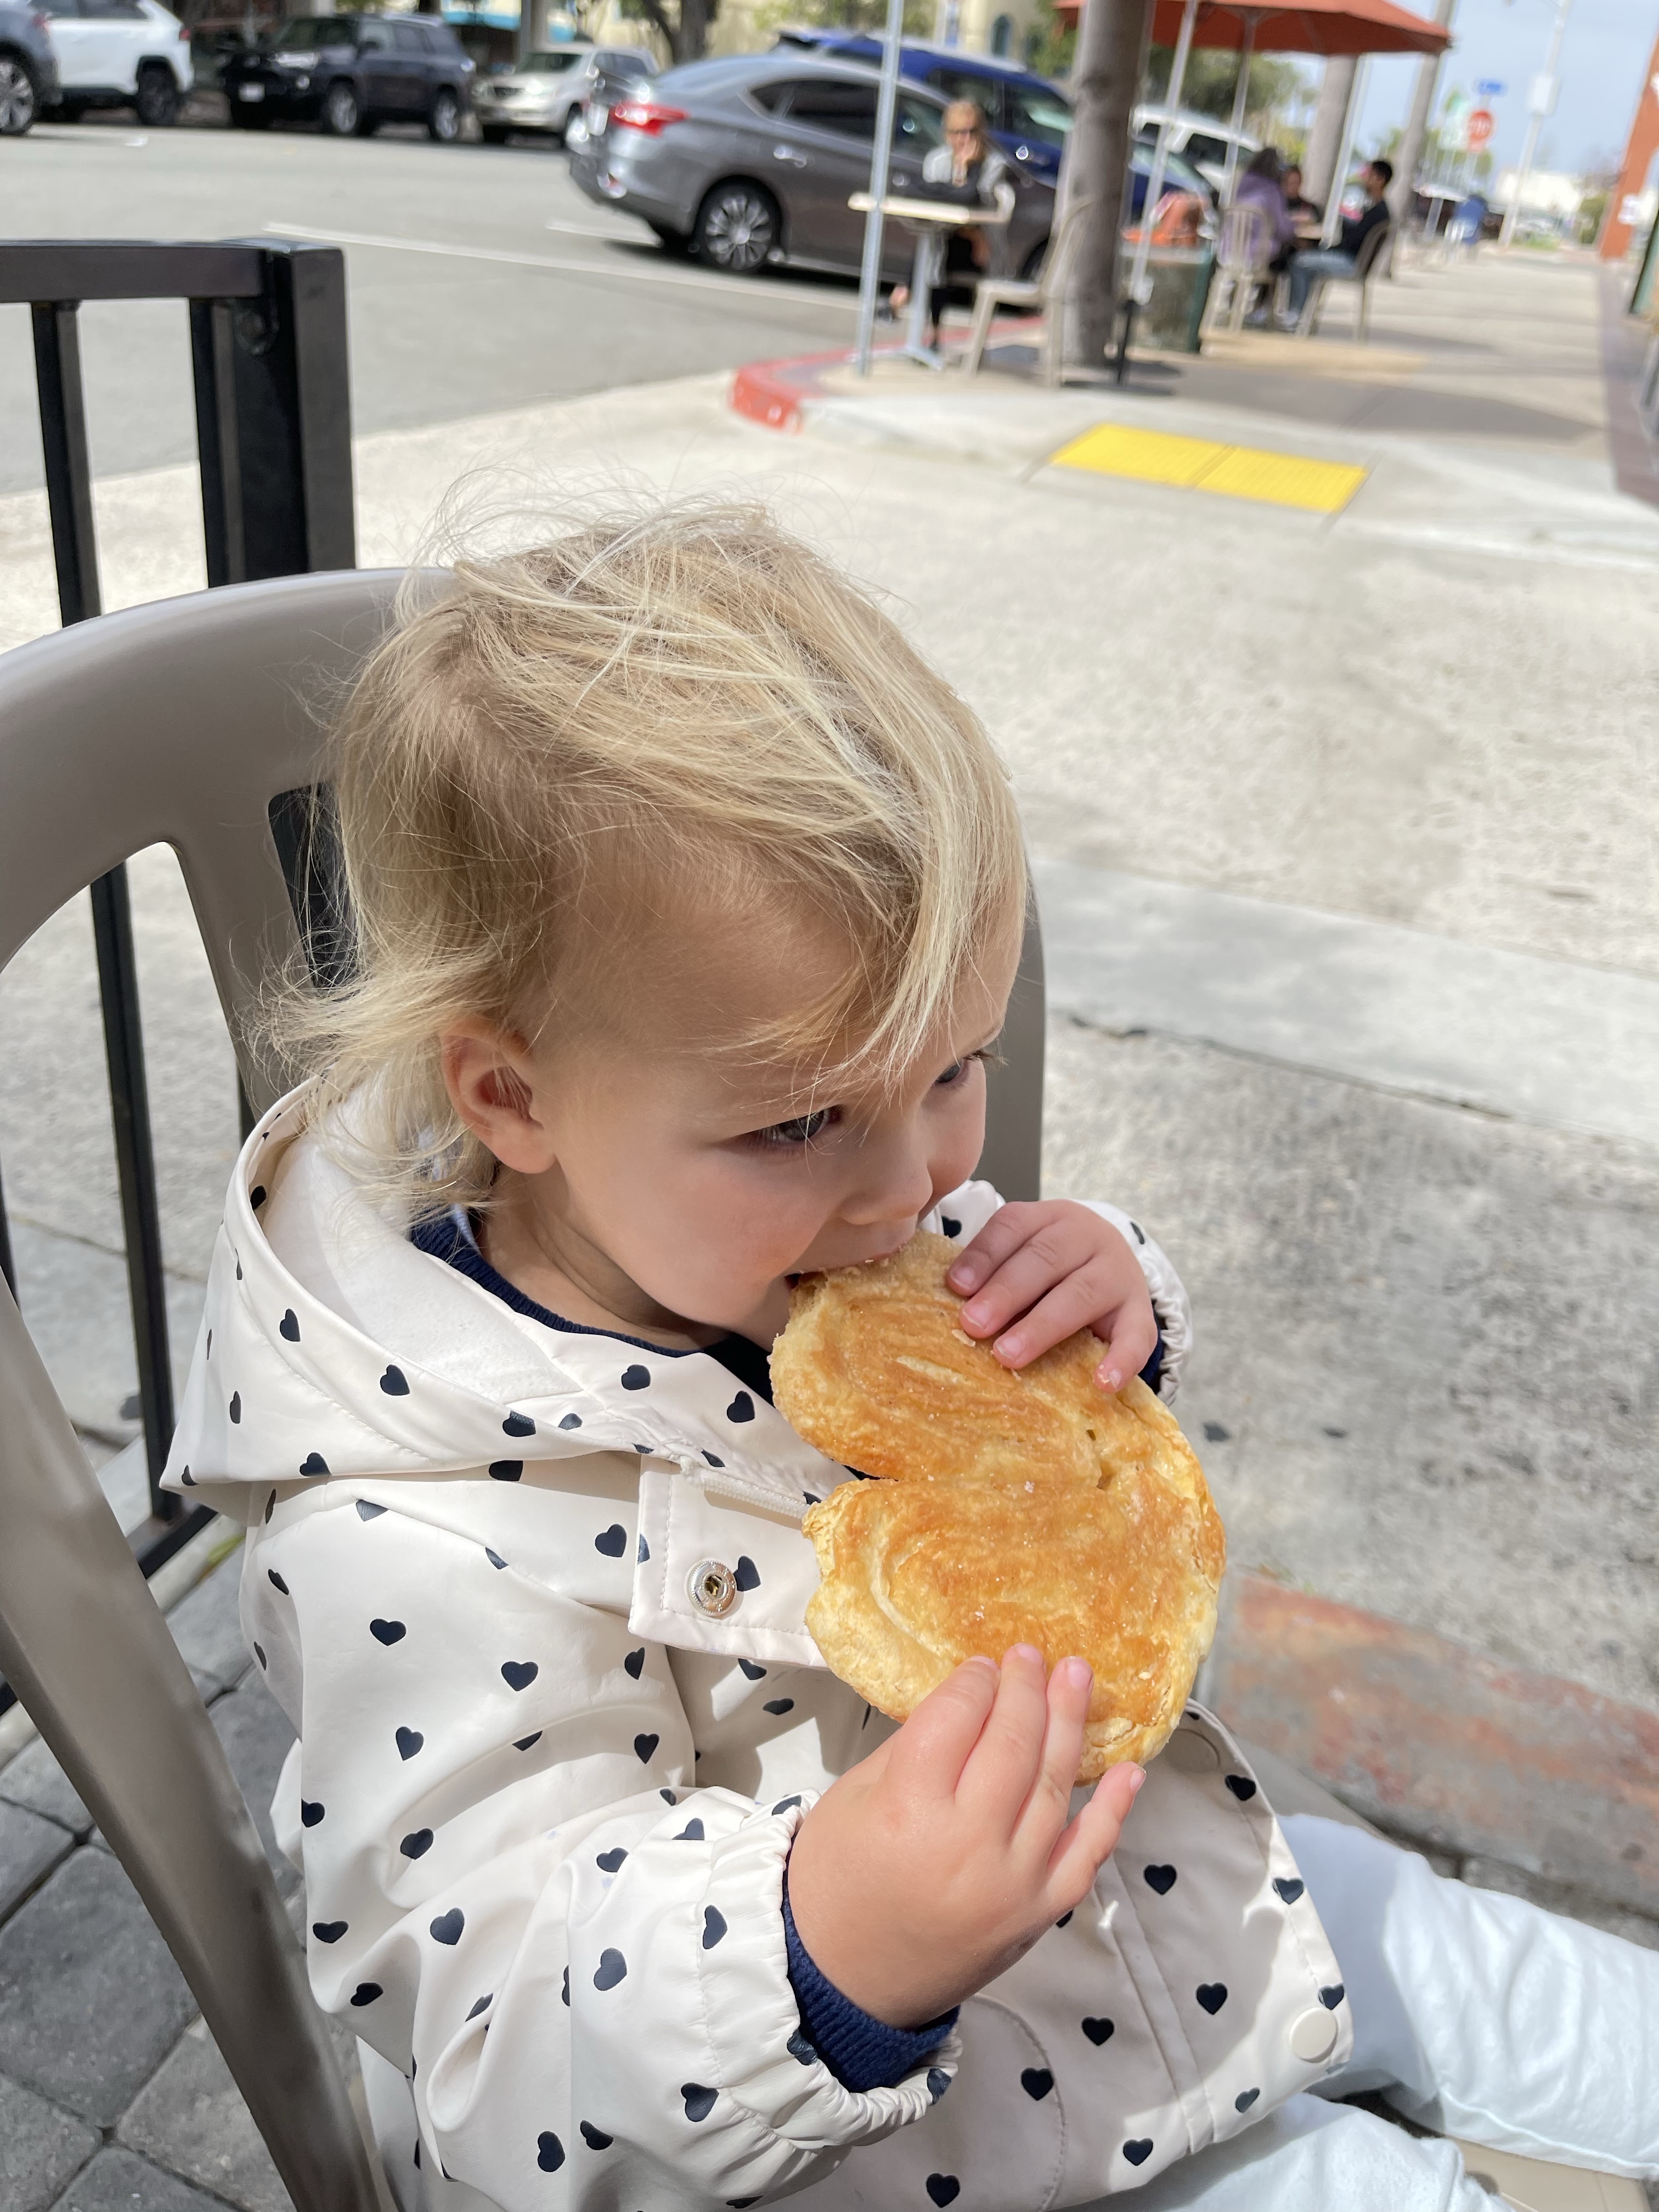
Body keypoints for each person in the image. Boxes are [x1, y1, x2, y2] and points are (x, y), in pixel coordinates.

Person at [164, 506, 1659, 2212]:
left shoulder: (787, 1222)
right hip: (881, 2121)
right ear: (514, 1096)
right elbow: (495, 2057)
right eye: (803, 1121)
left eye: (958, 1067)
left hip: (1140, 1881)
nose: (920, 1184)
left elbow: (1021, 1407)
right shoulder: (410, 1541)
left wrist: (1109, 1294)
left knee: (1495, 1970)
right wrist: (825, 1952)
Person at [889, 99, 1009, 342]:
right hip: (952, 237)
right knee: (937, 248)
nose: (965, 139)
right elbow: (934, 202)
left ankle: (904, 294)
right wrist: (959, 198)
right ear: (947, 134)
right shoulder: (937, 160)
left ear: (982, 132)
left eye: (971, 131)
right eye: (958, 133)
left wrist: (965, 169)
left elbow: (976, 203)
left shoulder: (993, 164)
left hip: (981, 249)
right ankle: (928, 331)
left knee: (936, 251)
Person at [1283, 155, 1395, 326]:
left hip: (1351, 263)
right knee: (1306, 259)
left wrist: (1344, 223)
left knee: (1299, 261)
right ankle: (1301, 317)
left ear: (1379, 180)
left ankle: (1295, 316)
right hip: (1351, 260)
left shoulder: (1378, 212)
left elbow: (1353, 241)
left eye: (1369, 175)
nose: (1364, 178)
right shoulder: (1377, 209)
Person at [1227, 146, 1296, 320]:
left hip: (1229, 250)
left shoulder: (1241, 184)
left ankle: (1232, 304)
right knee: (1283, 258)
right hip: (1257, 256)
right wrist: (1294, 225)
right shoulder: (1272, 191)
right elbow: (1283, 230)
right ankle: (1262, 310)